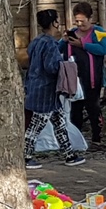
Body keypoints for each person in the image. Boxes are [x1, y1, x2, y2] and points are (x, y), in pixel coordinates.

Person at [24, 9, 85, 169]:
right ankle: (25, 156)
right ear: (53, 23)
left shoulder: (36, 41)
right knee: (37, 125)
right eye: (57, 21)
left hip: (35, 87)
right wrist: (65, 66)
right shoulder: (50, 43)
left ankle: (69, 154)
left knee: (59, 122)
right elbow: (51, 67)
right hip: (46, 91)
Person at [60, 2, 106, 146]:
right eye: (77, 21)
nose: (79, 24)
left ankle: (97, 138)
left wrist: (83, 45)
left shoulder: (98, 32)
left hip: (93, 78)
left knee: (93, 107)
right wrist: (64, 41)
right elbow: (59, 48)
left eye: (83, 21)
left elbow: (103, 49)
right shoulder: (73, 33)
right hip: (75, 79)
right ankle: (77, 140)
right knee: (76, 109)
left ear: (90, 18)